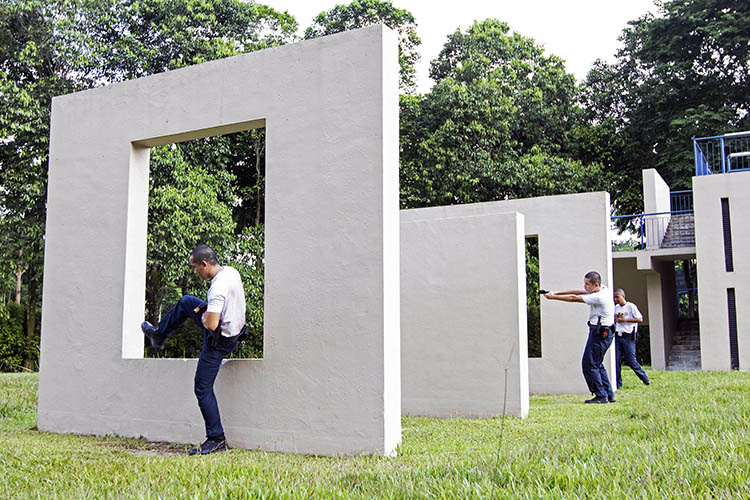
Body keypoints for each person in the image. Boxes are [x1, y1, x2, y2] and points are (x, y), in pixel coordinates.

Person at [141, 244, 246, 455]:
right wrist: (205, 311)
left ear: (204, 264)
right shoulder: (230, 272)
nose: (194, 272)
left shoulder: (217, 290)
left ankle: (216, 438)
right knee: (187, 302)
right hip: (235, 329)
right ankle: (159, 335)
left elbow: (211, 324)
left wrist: (206, 315)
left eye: (195, 267)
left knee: (202, 387)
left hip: (220, 339)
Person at [542, 271, 616, 404]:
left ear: (596, 285)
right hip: (602, 332)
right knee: (597, 364)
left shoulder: (599, 296)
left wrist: (552, 298)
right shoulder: (603, 289)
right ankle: (608, 394)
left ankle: (601, 396)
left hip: (600, 333)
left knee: (589, 365)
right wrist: (556, 292)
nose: (584, 287)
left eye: (587, 284)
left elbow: (574, 298)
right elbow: (578, 292)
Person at [614, 288, 650, 388]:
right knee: (616, 361)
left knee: (631, 360)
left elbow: (639, 318)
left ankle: (644, 377)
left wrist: (625, 320)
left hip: (628, 336)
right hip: (618, 335)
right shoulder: (616, 308)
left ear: (623, 296)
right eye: (615, 297)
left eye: (617, 297)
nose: (616, 299)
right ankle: (617, 383)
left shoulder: (631, 306)